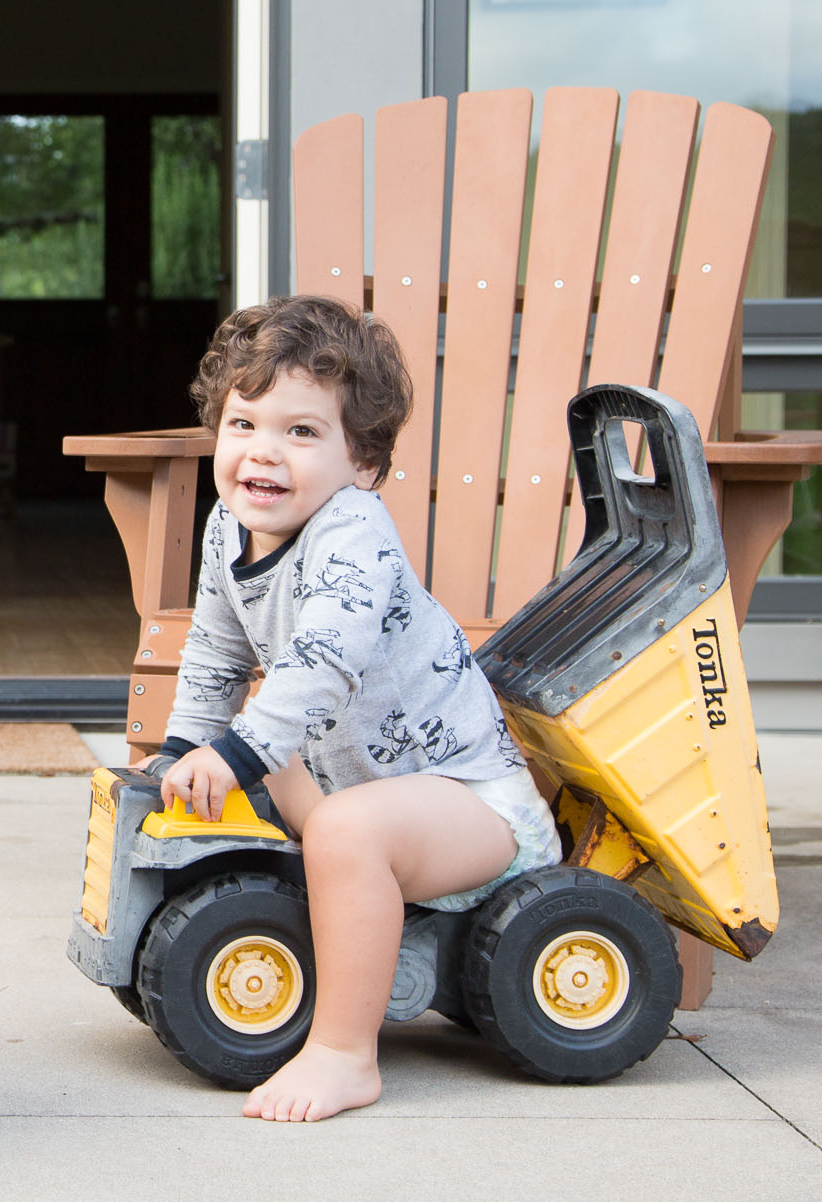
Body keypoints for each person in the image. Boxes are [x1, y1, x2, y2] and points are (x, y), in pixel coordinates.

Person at [153, 293, 560, 1124]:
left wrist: (237, 752)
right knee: (263, 777)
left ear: (363, 462)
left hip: (471, 808)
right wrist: (184, 747)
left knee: (321, 810)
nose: (263, 452)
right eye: (243, 424)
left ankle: (345, 1054)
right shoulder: (228, 528)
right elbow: (218, 650)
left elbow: (323, 658)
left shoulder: (354, 533)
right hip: (358, 793)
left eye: (301, 432)